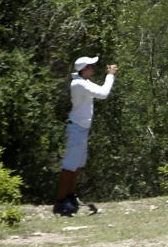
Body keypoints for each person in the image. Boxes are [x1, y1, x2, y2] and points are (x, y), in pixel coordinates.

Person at [54, 57, 117, 217]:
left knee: (78, 165)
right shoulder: (79, 84)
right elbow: (103, 93)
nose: (93, 68)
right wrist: (110, 75)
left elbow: (101, 91)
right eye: (91, 66)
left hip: (81, 129)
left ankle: (69, 195)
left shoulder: (84, 82)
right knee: (69, 166)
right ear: (84, 68)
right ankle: (61, 202)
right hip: (76, 129)